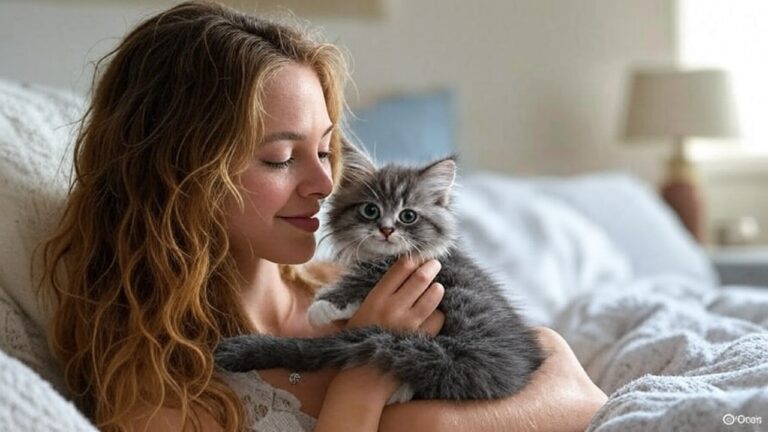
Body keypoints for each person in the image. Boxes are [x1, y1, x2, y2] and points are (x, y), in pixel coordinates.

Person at [40, 2, 607, 431]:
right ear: (178, 172)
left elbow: (574, 382)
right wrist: (367, 376)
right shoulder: (162, 390)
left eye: (326, 151)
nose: (324, 184)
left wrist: (432, 424)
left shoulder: (351, 286)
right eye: (281, 158)